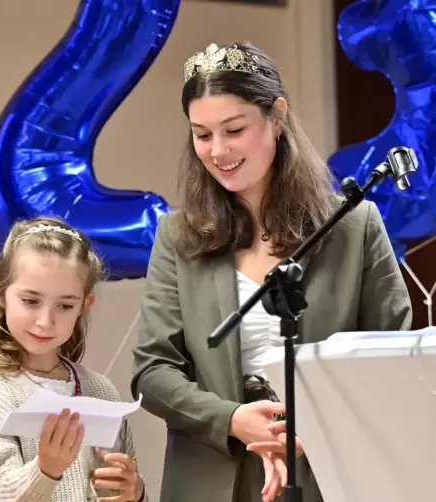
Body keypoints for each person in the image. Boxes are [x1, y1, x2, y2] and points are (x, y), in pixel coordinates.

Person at [130, 42, 412, 502]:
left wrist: (307, 427)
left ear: (277, 116)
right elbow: (154, 373)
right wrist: (232, 419)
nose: (218, 151)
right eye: (202, 135)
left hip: (330, 473)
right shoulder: (178, 236)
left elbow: (394, 363)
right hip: (211, 479)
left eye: (234, 129)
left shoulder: (355, 226)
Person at [0, 216, 147, 502]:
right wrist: (46, 470)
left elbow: (119, 482)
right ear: (0, 295)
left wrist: (136, 492)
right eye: (30, 301)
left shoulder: (102, 391)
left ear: (85, 305)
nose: (45, 321)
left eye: (65, 305)